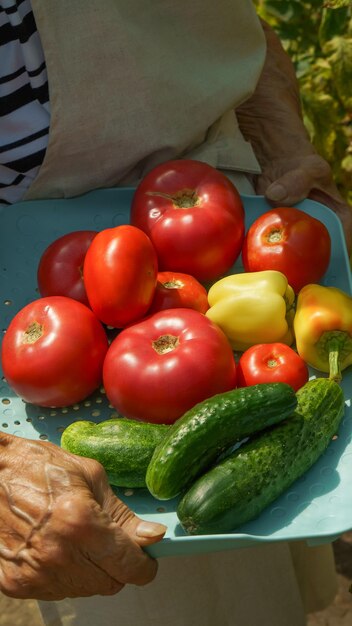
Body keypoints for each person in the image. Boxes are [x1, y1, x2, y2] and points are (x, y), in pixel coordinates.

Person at [1, 1, 351, 625]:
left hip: (218, 191)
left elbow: (223, 17)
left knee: (256, 583)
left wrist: (283, 145)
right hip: (39, 271)